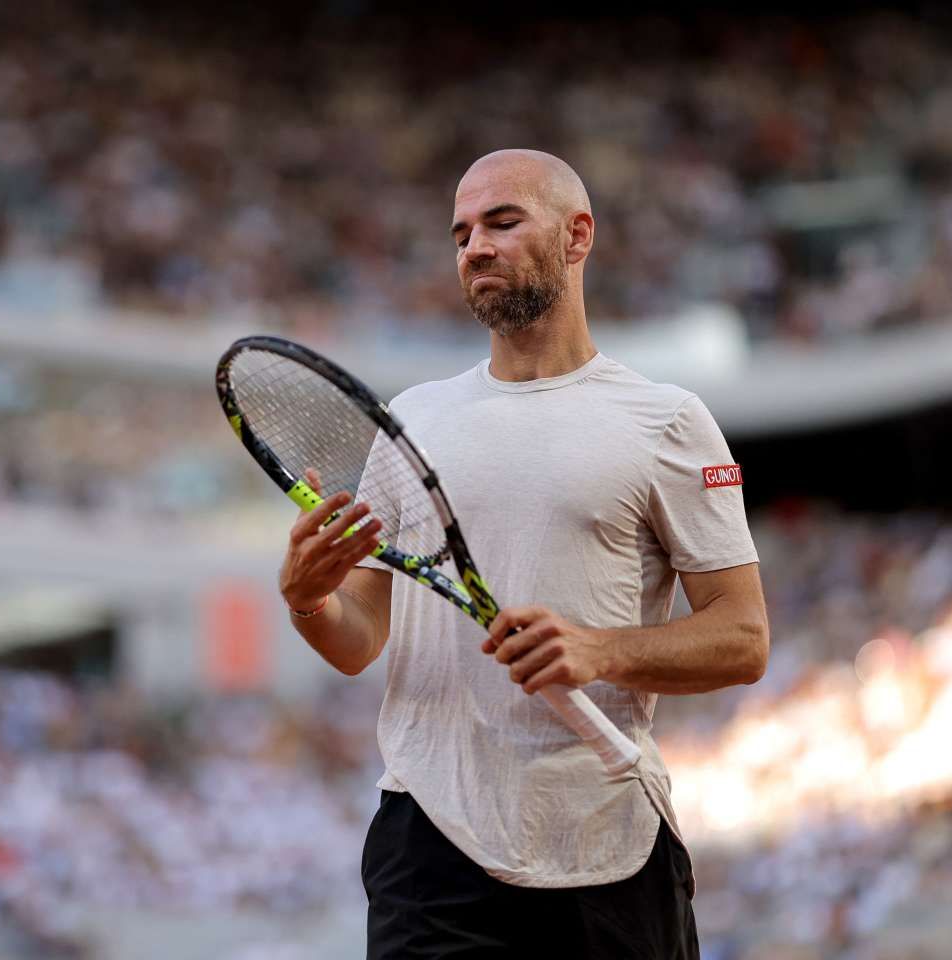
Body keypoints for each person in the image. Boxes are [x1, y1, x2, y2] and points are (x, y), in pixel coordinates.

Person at [277, 149, 769, 958]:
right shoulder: (414, 421)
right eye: (461, 232)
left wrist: (598, 649)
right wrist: (308, 599)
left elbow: (744, 640)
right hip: (429, 845)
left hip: (609, 843)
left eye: (503, 222)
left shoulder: (668, 422)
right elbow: (358, 638)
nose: (474, 247)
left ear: (578, 237)